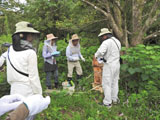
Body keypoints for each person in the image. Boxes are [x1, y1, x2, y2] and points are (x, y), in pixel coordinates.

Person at [0, 21, 42, 97]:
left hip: (13, 90)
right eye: (31, 34)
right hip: (27, 91)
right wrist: (38, 94)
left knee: (15, 108)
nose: (32, 37)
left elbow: (2, 58)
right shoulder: (30, 53)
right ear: (26, 35)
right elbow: (33, 77)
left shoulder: (10, 50)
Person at [95, 28, 121, 108]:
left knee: (106, 84)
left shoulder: (106, 42)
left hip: (109, 65)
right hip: (117, 64)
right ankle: (114, 100)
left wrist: (96, 56)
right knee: (115, 82)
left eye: (102, 36)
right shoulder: (117, 41)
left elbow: (100, 52)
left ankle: (107, 103)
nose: (102, 38)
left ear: (105, 35)